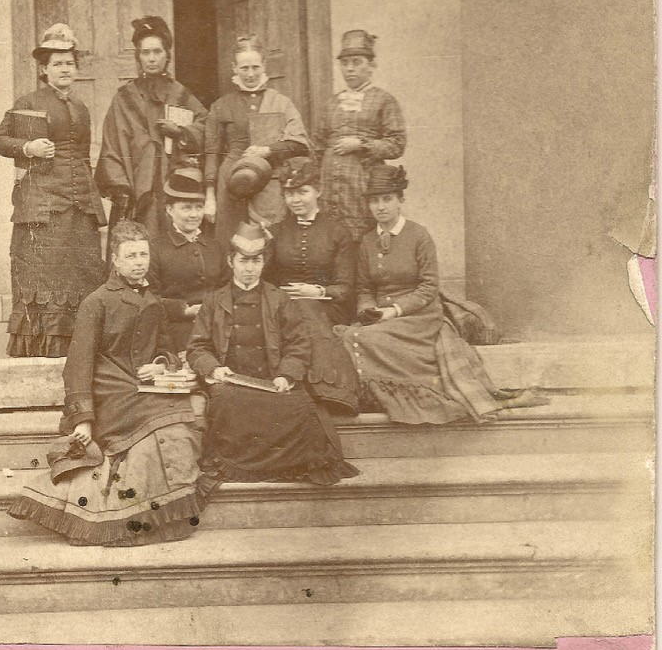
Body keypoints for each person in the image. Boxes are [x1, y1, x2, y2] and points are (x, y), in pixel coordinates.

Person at [7, 220, 204, 546]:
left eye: (143, 255)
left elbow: (166, 348)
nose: (139, 262)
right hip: (109, 391)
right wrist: (83, 419)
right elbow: (77, 365)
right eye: (131, 256)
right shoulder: (96, 302)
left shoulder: (152, 300)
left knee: (180, 417)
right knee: (165, 421)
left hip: (142, 387)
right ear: (115, 259)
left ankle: (161, 511)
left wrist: (160, 365)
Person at [340, 165, 535, 424]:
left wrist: (394, 311)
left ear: (400, 201)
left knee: (362, 338)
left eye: (387, 199)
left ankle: (412, 398)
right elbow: (364, 288)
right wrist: (367, 310)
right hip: (381, 315)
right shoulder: (366, 242)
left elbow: (429, 287)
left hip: (420, 314)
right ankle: (380, 397)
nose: (381, 207)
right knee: (350, 336)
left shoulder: (419, 235)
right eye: (374, 201)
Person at [187, 222, 359, 487]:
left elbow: (298, 343)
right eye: (243, 261)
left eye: (256, 261)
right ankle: (243, 465)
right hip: (231, 383)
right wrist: (214, 369)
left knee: (300, 406)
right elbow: (197, 347)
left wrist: (287, 375)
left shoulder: (279, 299)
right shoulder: (213, 300)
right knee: (224, 402)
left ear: (263, 262)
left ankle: (285, 465)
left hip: (271, 379)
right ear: (231, 262)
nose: (249, 268)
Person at [0, 24, 106, 357]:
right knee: (46, 273)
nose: (64, 69)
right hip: (43, 205)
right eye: (57, 64)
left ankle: (80, 346)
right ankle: (46, 348)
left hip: (79, 203)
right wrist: (28, 147)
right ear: (44, 69)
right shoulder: (28, 102)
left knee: (81, 271)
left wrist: (91, 197)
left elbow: (83, 157)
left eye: (69, 63)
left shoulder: (81, 108)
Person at [95, 15, 207, 249]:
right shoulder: (124, 97)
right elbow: (110, 147)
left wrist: (180, 132)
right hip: (134, 189)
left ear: (167, 55)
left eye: (157, 51)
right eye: (146, 52)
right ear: (138, 56)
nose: (152, 58)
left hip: (172, 185)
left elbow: (206, 127)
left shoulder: (180, 94)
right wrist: (121, 188)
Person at [263, 157, 361, 416]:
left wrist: (318, 292)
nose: (295, 200)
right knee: (294, 313)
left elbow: (346, 288)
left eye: (302, 192)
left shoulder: (337, 232)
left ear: (318, 191)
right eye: (289, 194)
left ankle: (330, 390)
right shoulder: (275, 232)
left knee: (306, 310)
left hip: (328, 309)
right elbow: (264, 281)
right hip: (283, 307)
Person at [204, 34, 311, 246]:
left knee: (269, 243)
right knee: (231, 244)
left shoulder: (281, 102)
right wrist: (210, 197)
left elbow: (300, 144)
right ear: (234, 68)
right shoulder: (221, 106)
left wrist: (269, 150)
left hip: (268, 183)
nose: (250, 74)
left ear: (264, 65)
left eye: (255, 67)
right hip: (230, 184)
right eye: (244, 68)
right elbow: (211, 152)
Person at [314, 30, 407, 241]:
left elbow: (397, 143)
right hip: (330, 188)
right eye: (345, 63)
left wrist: (362, 144)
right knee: (331, 240)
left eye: (356, 62)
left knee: (362, 242)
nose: (349, 69)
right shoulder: (331, 103)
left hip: (362, 185)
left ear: (371, 65)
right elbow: (317, 146)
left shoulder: (384, 100)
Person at [147, 167, 229, 354]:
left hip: (215, 330)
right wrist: (182, 310)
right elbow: (149, 298)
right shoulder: (156, 248)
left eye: (199, 207)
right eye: (186, 208)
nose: (194, 215)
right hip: (175, 335)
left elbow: (227, 288)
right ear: (169, 209)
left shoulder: (214, 247)